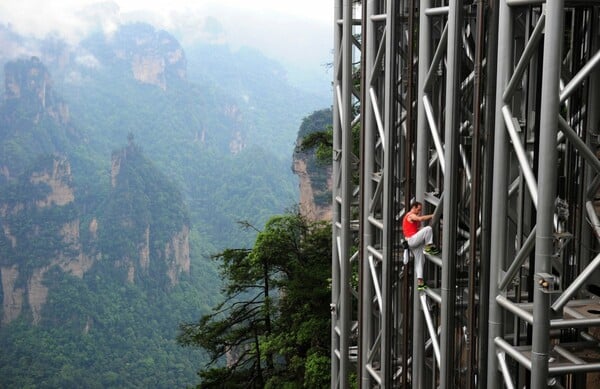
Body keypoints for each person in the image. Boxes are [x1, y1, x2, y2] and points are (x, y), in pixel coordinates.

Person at [402, 201, 440, 290]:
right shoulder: (410, 215)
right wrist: (432, 215)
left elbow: (415, 228)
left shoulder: (411, 217)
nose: (419, 212)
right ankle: (428, 247)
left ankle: (420, 282)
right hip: (412, 240)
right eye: (418, 210)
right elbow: (420, 219)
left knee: (420, 261)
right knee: (428, 229)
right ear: (413, 208)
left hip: (412, 242)